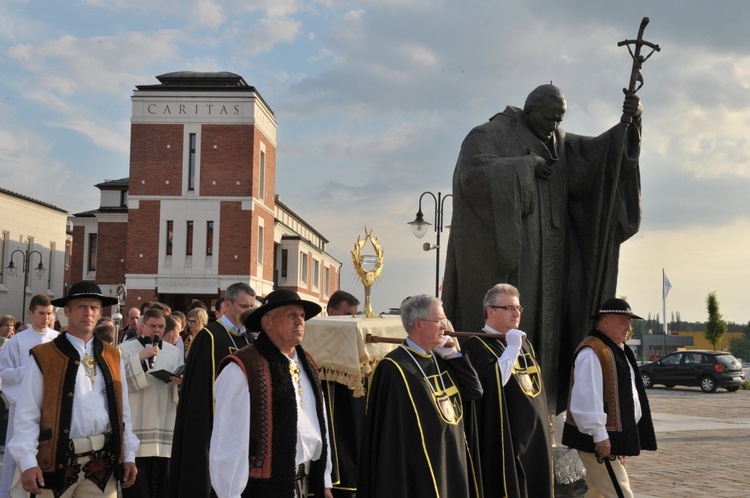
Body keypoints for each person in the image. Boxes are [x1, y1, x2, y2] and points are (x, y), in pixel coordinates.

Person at [442, 84, 643, 412]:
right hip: (519, 260)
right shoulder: (489, 134)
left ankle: (544, 406)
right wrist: (523, 169)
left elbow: (599, 159)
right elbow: (473, 176)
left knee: (552, 336)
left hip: (556, 258)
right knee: (521, 319)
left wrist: (630, 125)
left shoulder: (561, 143)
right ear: (528, 110)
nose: (553, 126)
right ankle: (507, 404)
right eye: (548, 119)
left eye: (559, 119)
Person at [8, 281, 139, 498]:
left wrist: (129, 455)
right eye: (81, 306)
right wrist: (27, 461)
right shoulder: (44, 356)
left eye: (94, 307)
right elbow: (27, 414)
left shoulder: (112, 356)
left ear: (100, 313)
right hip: (57, 459)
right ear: (67, 311)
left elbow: (123, 411)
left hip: (102, 462)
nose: (88, 312)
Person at [209, 289, 333, 498]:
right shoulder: (243, 368)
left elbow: (322, 426)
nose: (300, 322)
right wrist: (229, 493)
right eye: (291, 315)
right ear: (267, 322)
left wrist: (325, 481)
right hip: (263, 490)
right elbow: (228, 441)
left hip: (307, 483)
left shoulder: (308, 363)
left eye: (302, 316)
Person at [357, 294, 483, 498]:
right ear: (419, 324)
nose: (445, 326)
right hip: (419, 469)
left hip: (452, 458)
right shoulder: (394, 367)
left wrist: (454, 356)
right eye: (439, 321)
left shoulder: (442, 358)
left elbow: (474, 390)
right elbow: (390, 436)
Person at [462, 283, 553, 498]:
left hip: (535, 436)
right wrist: (512, 349)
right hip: (507, 436)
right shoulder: (477, 345)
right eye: (509, 308)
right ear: (490, 311)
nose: (516, 313)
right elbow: (492, 385)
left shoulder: (523, 343)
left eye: (518, 308)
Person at [168, 282, 256, 498]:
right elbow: (198, 394)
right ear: (227, 305)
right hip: (211, 428)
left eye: (251, 307)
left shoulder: (248, 339)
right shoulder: (208, 336)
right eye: (244, 306)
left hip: (240, 430)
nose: (249, 312)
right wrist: (201, 436)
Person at [562, 298, 657, 498]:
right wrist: (600, 436)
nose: (628, 327)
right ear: (605, 321)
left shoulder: (614, 349)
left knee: (599, 493)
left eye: (630, 322)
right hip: (600, 440)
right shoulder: (593, 351)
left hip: (611, 438)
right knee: (620, 493)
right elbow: (587, 397)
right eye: (623, 322)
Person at [119, 308, 184, 498]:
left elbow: (180, 392)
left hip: (163, 423)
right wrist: (139, 358)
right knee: (139, 488)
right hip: (137, 425)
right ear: (142, 326)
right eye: (153, 326)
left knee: (162, 487)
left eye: (161, 326)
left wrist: (179, 382)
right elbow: (122, 384)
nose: (157, 330)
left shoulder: (173, 352)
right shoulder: (125, 350)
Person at [0, 295, 59, 498]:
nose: (45, 317)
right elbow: (5, 373)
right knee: (19, 454)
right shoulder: (16, 342)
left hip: (53, 407)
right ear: (31, 313)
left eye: (49, 313)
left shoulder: (58, 339)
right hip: (23, 408)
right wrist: (32, 370)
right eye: (41, 313)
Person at [322, 290, 361, 498]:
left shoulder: (354, 337)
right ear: (331, 311)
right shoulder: (317, 337)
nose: (352, 320)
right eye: (347, 314)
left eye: (355, 315)